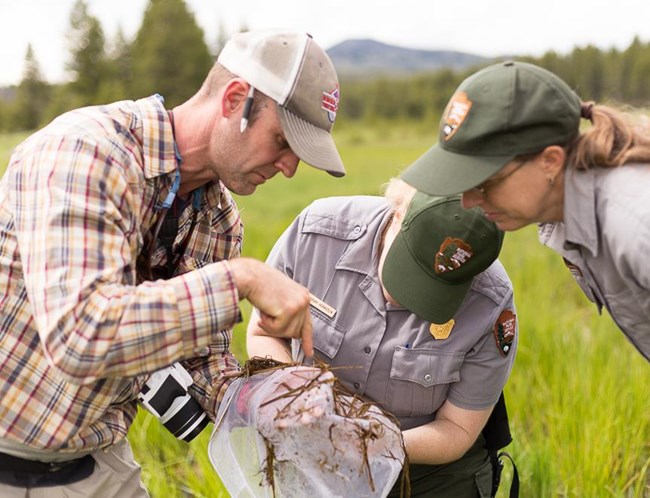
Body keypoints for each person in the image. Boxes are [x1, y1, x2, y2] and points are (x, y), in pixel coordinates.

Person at [0, 29, 344, 496]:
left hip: (97, 459)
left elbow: (202, 358)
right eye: (282, 141)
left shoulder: (219, 219)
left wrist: (272, 401)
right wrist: (239, 278)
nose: (288, 168)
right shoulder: (85, 153)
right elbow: (81, 336)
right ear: (235, 100)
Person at [247, 179, 518, 497]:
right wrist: (295, 402)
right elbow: (264, 333)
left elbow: (457, 429)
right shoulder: (315, 235)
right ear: (398, 212)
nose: (406, 298)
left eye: (436, 289)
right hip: (310, 452)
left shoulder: (491, 303)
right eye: (410, 268)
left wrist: (372, 443)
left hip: (426, 471)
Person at [399, 60, 650, 361]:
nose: (467, 201)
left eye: (485, 182)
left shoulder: (635, 225)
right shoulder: (569, 211)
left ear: (551, 161)